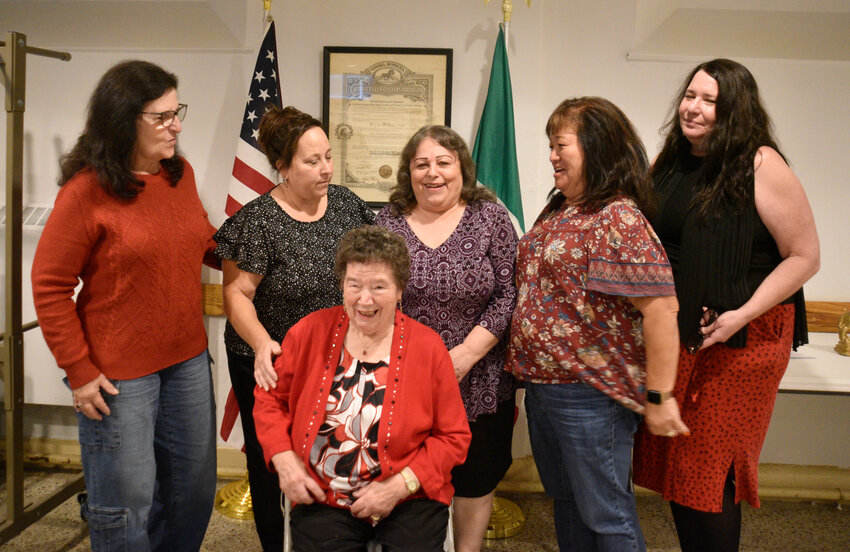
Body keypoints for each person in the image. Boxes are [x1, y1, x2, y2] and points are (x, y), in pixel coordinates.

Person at [633, 59, 820, 552]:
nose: (692, 107)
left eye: (709, 100)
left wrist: (742, 313)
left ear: (734, 109)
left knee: (709, 473)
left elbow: (805, 257)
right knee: (681, 467)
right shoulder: (670, 160)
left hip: (743, 341)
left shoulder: (761, 164)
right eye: (689, 95)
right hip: (684, 333)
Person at [31, 60, 218, 552]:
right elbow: (50, 285)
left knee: (193, 493)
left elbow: (199, 241)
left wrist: (274, 238)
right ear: (122, 120)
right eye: (160, 116)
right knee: (125, 505)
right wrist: (78, 370)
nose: (176, 124)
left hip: (187, 360)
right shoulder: (87, 192)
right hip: (118, 375)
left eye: (177, 111)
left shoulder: (180, 175)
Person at [507, 97, 688, 552]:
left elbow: (661, 311)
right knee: (567, 506)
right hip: (546, 390)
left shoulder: (618, 217)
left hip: (591, 396)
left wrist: (660, 396)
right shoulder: (561, 210)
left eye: (560, 144)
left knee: (607, 517)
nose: (551, 156)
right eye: (550, 145)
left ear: (596, 147)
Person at [214, 106, 374, 551]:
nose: (325, 169)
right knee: (274, 463)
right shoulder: (259, 220)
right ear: (282, 166)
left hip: (334, 358)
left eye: (328, 156)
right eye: (311, 161)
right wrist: (265, 343)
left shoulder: (346, 205)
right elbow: (236, 295)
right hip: (269, 360)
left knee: (331, 451)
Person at [253, 225, 471, 551]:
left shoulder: (427, 347)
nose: (364, 299)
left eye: (379, 286)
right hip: (324, 494)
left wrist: (399, 486)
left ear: (400, 290)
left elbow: (453, 437)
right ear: (342, 285)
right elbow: (270, 400)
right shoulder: (308, 332)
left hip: (409, 496)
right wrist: (284, 461)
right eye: (354, 285)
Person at [376, 125, 518, 552]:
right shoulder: (388, 222)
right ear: (408, 172)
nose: (432, 173)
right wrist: (418, 362)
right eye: (421, 164)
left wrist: (467, 354)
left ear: (462, 168)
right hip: (406, 378)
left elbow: (511, 293)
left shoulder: (491, 218)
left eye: (443, 162)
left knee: (475, 478)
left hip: (480, 377)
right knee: (412, 476)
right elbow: (374, 295)